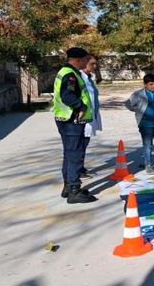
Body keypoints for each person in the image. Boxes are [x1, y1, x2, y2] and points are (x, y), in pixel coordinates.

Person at [54, 47, 97, 204]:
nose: (86, 62)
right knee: (75, 155)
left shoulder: (65, 71)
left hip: (64, 119)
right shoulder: (70, 75)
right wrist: (81, 107)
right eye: (85, 60)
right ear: (78, 60)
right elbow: (67, 95)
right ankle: (74, 190)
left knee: (69, 153)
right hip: (71, 120)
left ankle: (68, 186)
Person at [125, 74, 154, 174]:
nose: (153, 86)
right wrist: (138, 109)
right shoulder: (138, 94)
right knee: (147, 145)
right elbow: (128, 104)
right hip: (145, 124)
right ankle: (148, 165)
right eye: (150, 84)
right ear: (145, 84)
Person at [79, 55, 102, 179]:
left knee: (84, 143)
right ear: (84, 63)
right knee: (80, 144)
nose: (95, 66)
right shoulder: (80, 77)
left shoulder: (88, 77)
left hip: (90, 115)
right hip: (83, 116)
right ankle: (78, 169)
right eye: (92, 64)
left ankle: (80, 167)